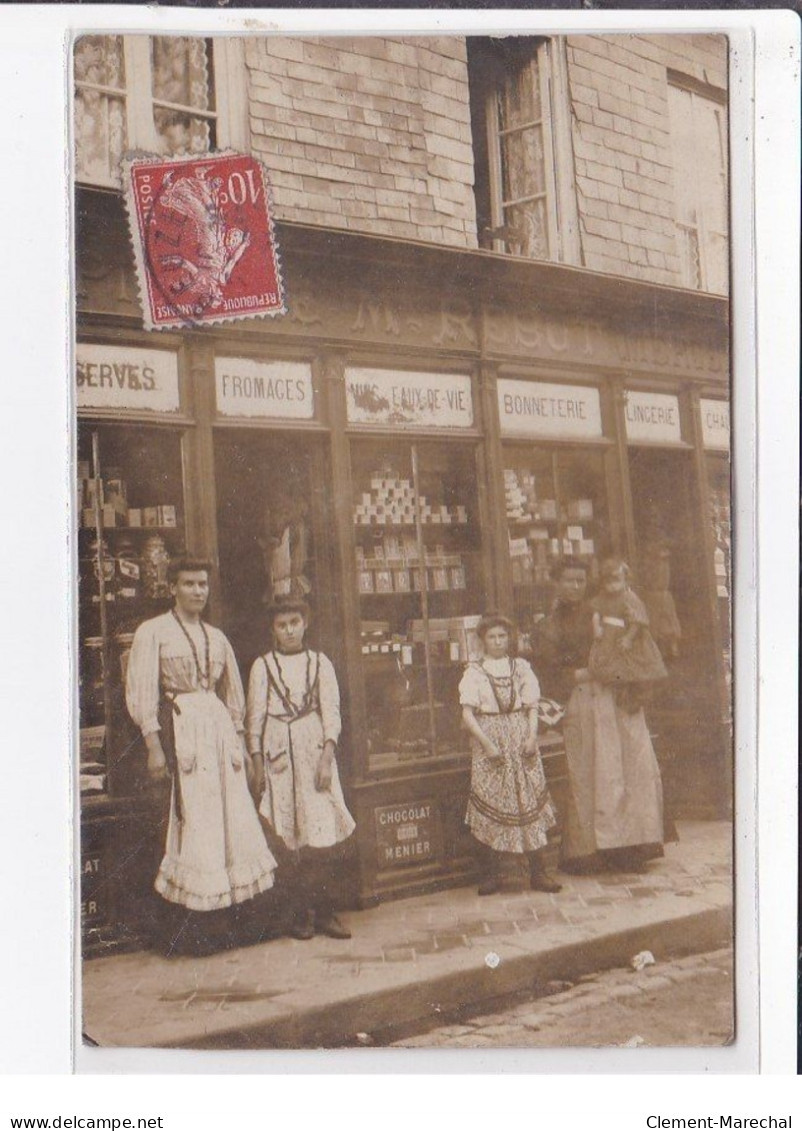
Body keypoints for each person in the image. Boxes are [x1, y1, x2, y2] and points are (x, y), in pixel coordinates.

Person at [125, 556, 277, 954]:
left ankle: (227, 921)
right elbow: (143, 691)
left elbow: (233, 696)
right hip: (183, 731)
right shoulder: (154, 632)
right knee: (194, 821)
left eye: (203, 584)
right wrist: (153, 745)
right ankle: (194, 928)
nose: (197, 591)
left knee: (228, 821)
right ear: (172, 587)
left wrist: (241, 743)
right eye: (189, 583)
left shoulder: (217, 636)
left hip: (219, 734)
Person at [536, 560, 665, 873]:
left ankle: (631, 846)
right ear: (555, 583)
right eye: (568, 581)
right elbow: (548, 670)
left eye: (580, 581)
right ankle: (588, 851)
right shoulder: (548, 624)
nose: (575, 587)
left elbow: (634, 642)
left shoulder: (603, 607)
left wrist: (625, 675)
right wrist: (586, 672)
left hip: (616, 696)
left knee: (626, 768)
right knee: (588, 772)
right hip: (581, 698)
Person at [246, 599, 356, 940]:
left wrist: (327, 757)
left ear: (305, 623)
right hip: (279, 751)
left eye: (295, 621)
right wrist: (257, 762)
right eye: (282, 625)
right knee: (287, 838)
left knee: (320, 834)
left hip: (313, 751)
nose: (289, 630)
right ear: (273, 630)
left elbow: (332, 712)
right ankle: (299, 914)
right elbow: (255, 720)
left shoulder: (320, 663)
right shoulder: (262, 666)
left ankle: (325, 912)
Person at [459, 613, 561, 896]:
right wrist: (487, 745)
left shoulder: (521, 668)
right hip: (488, 736)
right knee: (492, 802)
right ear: (482, 641)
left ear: (509, 639)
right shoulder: (475, 672)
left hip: (519, 735)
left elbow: (532, 707)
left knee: (526, 801)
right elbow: (467, 714)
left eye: (502, 636)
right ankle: (492, 875)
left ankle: (539, 873)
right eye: (492, 637)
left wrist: (531, 737)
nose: (497, 642)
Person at [588, 557, 668, 714]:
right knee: (613, 667)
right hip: (608, 638)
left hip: (628, 637)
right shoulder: (603, 597)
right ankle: (619, 691)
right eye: (607, 581)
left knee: (633, 668)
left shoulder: (629, 597)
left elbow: (637, 621)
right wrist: (596, 627)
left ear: (626, 579)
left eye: (616, 580)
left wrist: (628, 638)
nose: (612, 586)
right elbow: (596, 612)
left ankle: (636, 697)